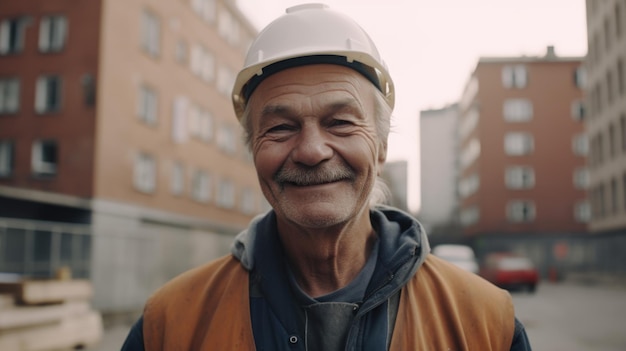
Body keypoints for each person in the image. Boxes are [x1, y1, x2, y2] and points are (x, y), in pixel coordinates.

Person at [121, 3, 532, 350]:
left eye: (340, 122)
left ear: (382, 147)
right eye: (280, 127)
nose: (312, 150)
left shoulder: (485, 324)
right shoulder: (170, 325)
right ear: (253, 150)